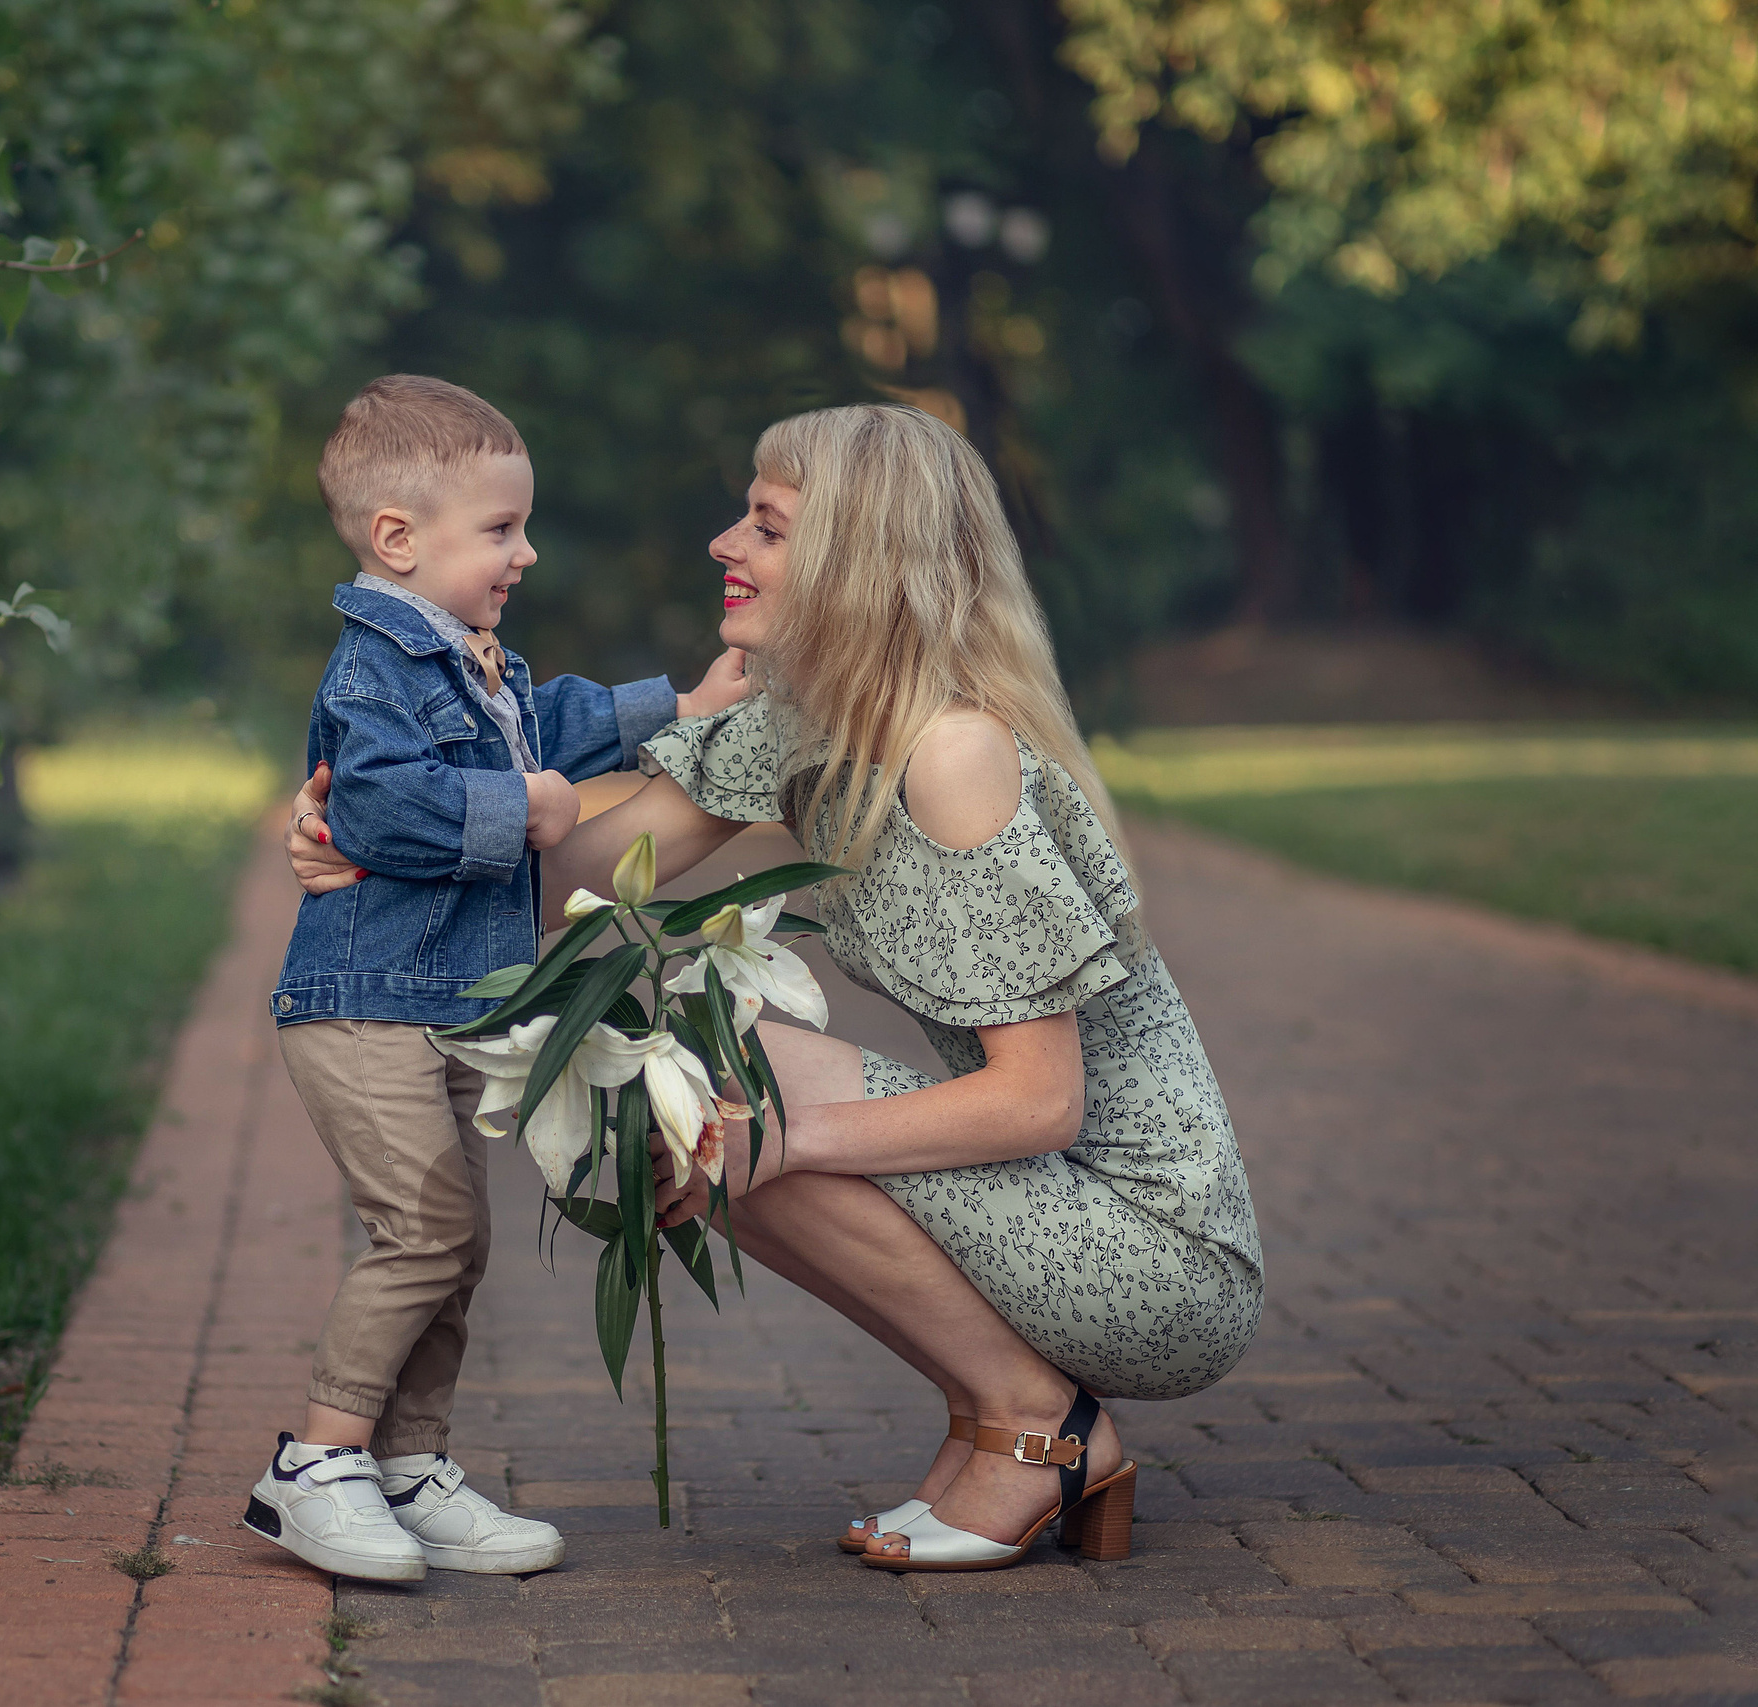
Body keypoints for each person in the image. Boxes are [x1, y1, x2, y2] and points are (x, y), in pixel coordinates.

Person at [286, 402, 1262, 1572]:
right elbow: (574, 880)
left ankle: (1037, 1426)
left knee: (725, 1096)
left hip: (1150, 1249)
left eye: (765, 524)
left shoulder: (952, 749)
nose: (723, 545)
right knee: (699, 1069)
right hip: (1044, 1197)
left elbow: (1039, 1103)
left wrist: (781, 1144)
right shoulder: (804, 722)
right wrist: (366, 836)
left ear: (854, 559)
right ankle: (993, 1418)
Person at [249, 374, 751, 1582]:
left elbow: (554, 718)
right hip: (362, 1005)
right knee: (418, 1233)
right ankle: (314, 1466)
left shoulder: (468, 658)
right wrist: (514, 809)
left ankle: (408, 1466)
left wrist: (680, 706)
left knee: (452, 1244)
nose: (525, 552)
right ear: (396, 539)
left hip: (434, 1002)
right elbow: (377, 802)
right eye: (501, 530)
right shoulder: (375, 670)